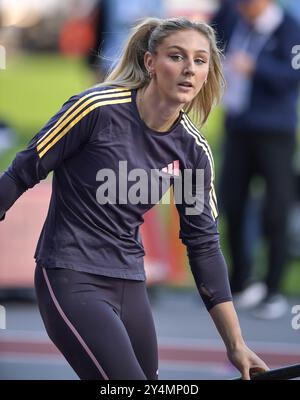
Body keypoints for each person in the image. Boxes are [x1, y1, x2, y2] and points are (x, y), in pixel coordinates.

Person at [0, 17, 268, 380]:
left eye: (200, 60)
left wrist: (235, 343)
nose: (189, 69)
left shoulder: (191, 150)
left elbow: (203, 245)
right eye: (177, 56)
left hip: (129, 281)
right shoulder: (95, 110)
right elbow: (22, 172)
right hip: (70, 272)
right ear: (150, 62)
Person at [211, 0, 300, 318]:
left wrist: (255, 68)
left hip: (275, 133)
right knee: (231, 204)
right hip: (238, 127)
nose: (242, 7)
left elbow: (293, 75)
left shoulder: (289, 27)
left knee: (275, 209)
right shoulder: (235, 20)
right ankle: (241, 282)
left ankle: (272, 289)